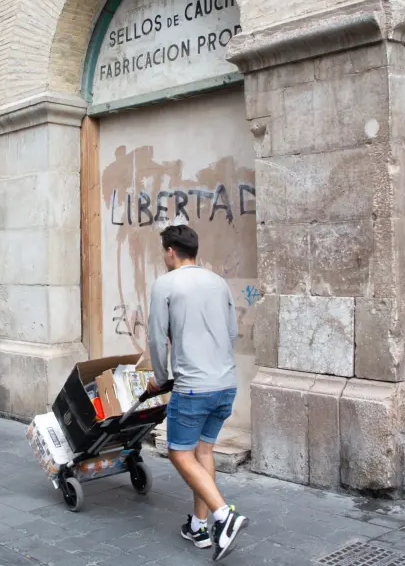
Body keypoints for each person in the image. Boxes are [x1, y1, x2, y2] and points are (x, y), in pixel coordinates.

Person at [146, 224, 246, 562]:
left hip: (192, 388)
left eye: (163, 252)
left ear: (171, 251)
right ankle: (199, 527)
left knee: (178, 453)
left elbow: (158, 339)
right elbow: (232, 331)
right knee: (204, 452)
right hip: (225, 384)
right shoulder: (218, 282)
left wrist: (160, 379)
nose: (163, 257)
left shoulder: (165, 284)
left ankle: (223, 516)